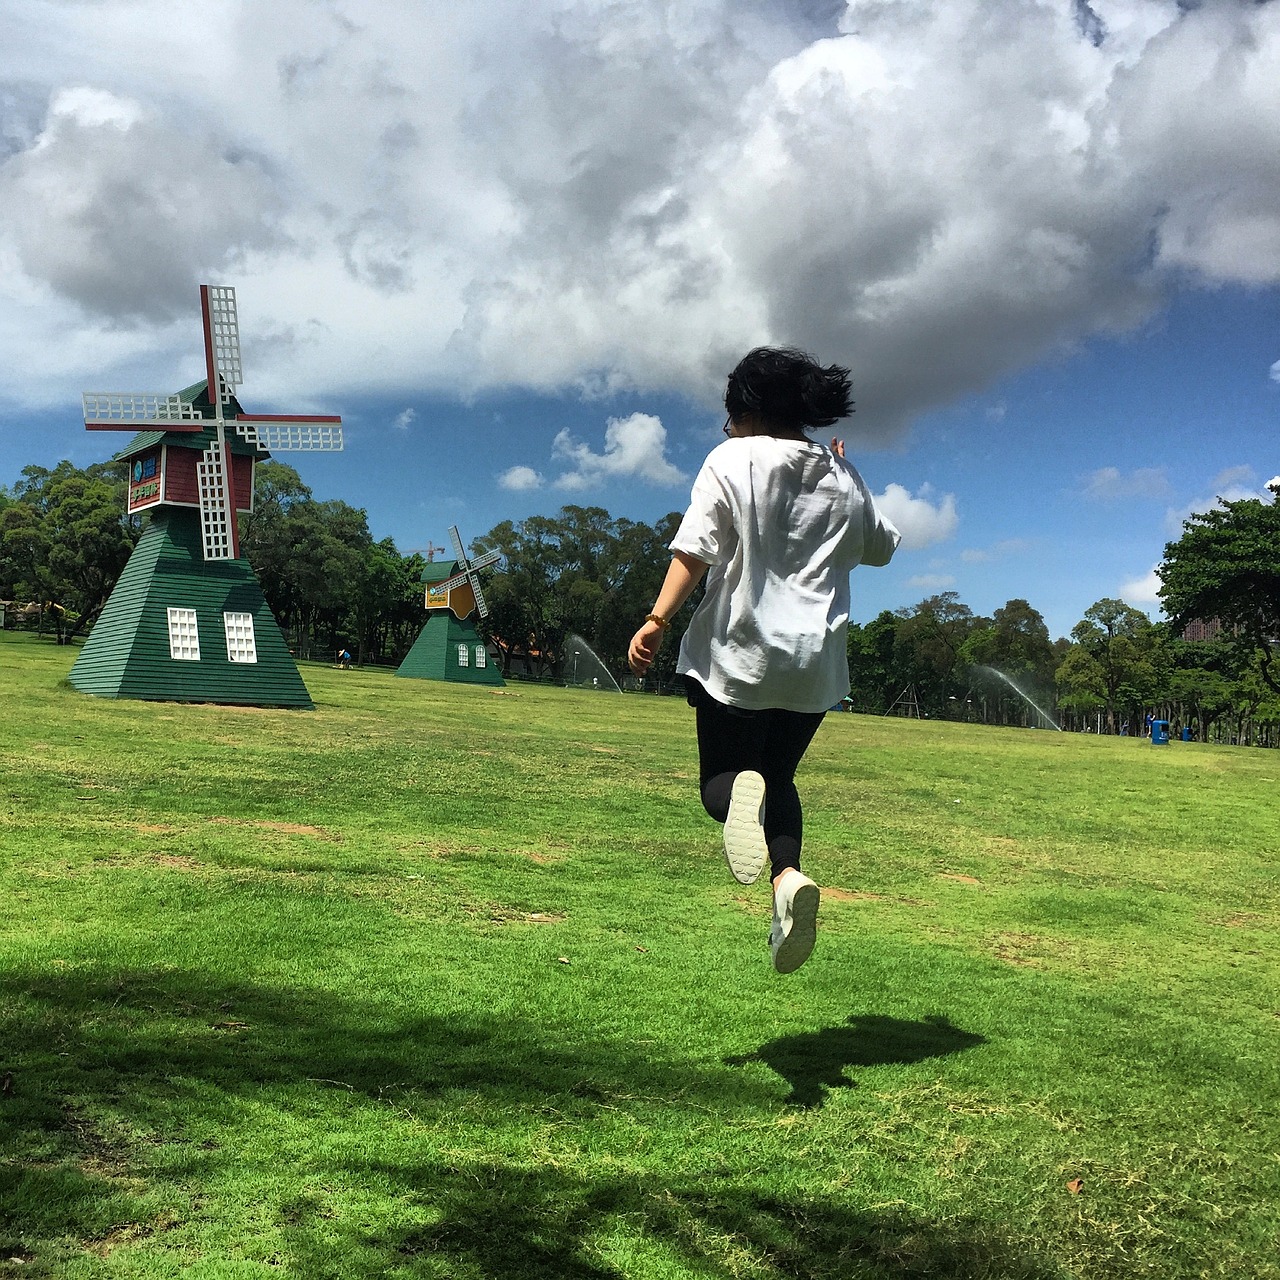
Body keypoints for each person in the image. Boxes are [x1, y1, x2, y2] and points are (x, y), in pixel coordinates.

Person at [628, 347, 900, 974]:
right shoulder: (842, 473)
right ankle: (788, 881)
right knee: (778, 778)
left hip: (739, 653)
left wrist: (656, 619)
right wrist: (841, 482)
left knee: (723, 784)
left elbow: (693, 550)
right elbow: (881, 548)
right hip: (814, 666)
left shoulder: (732, 458)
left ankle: (739, 801)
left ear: (746, 411)